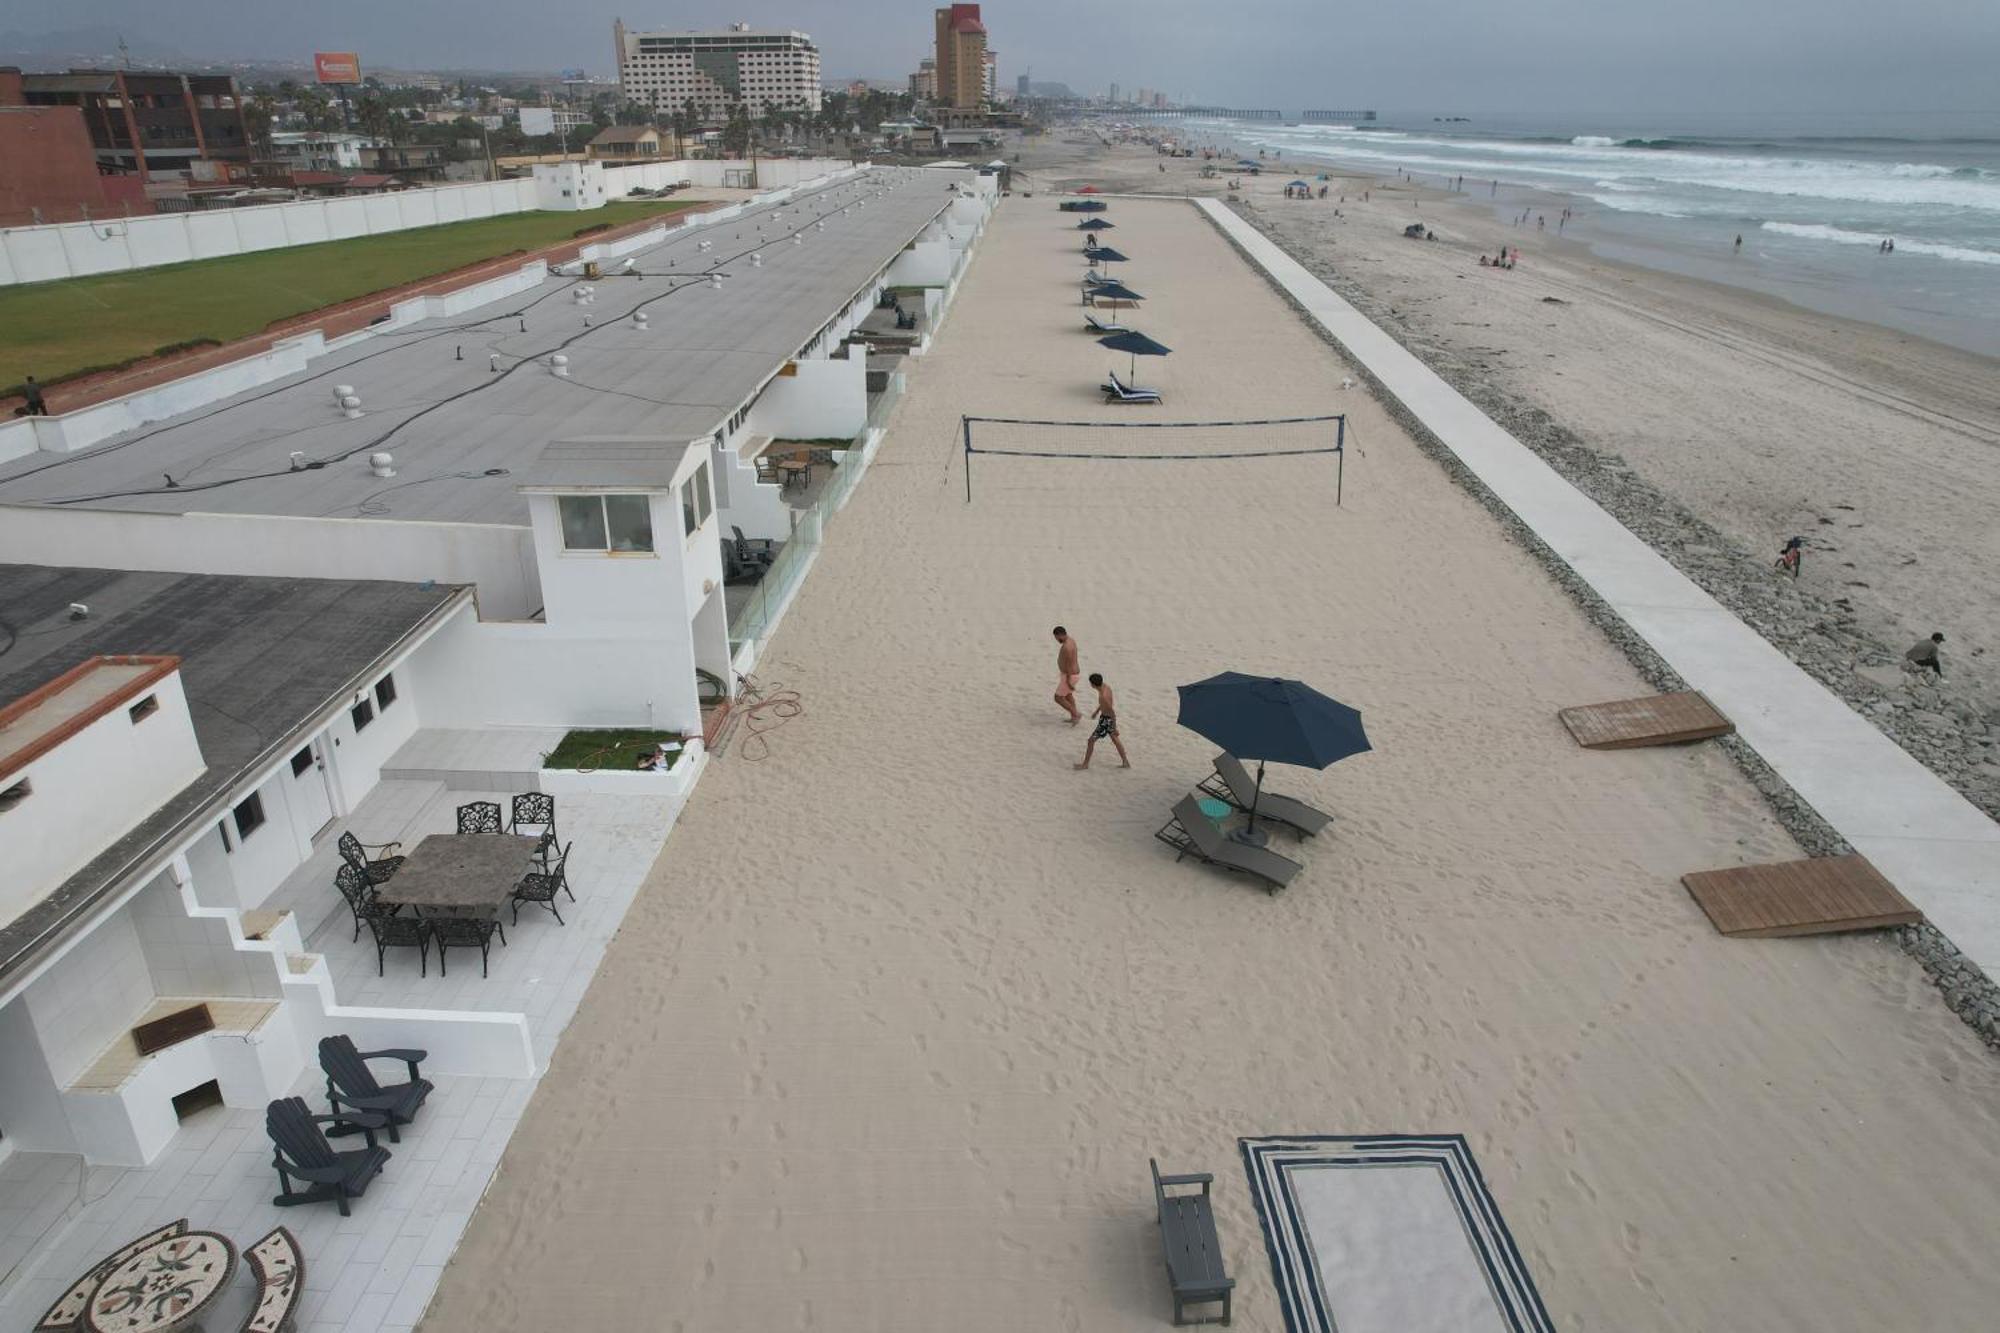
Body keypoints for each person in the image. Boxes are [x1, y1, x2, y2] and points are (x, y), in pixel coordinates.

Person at [1074, 673, 1129, 769]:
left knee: (1091, 740)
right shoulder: (1106, 687)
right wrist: (1096, 711)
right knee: (1115, 740)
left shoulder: (1103, 696)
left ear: (1093, 685)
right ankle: (1125, 762)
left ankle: (1085, 764)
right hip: (1107, 718)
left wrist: (1114, 727)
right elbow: (1105, 705)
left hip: (1106, 720)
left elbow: (1111, 711)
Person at [1052, 626, 1082, 724]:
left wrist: (1068, 681)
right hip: (1072, 674)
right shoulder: (1070, 640)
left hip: (1070, 675)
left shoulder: (1066, 647)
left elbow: (1068, 665)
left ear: (1060, 635)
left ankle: (1076, 713)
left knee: (1058, 697)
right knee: (1068, 695)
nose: (1057, 640)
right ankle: (1074, 717)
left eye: (1057, 638)